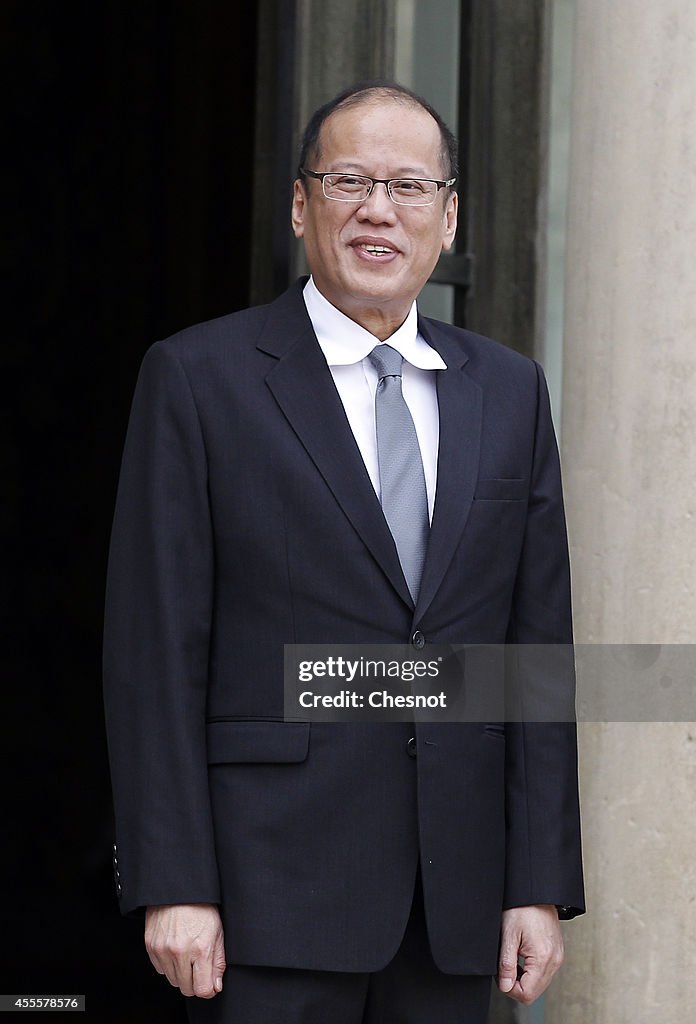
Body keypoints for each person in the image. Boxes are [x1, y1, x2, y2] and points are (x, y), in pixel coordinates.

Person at [103, 82, 585, 1024]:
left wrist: (538, 880)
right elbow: (152, 652)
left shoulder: (510, 392)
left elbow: (535, 658)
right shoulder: (199, 379)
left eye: (410, 187)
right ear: (298, 205)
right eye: (349, 180)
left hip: (454, 900)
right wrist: (174, 881)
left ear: (448, 219)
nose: (378, 209)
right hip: (262, 893)